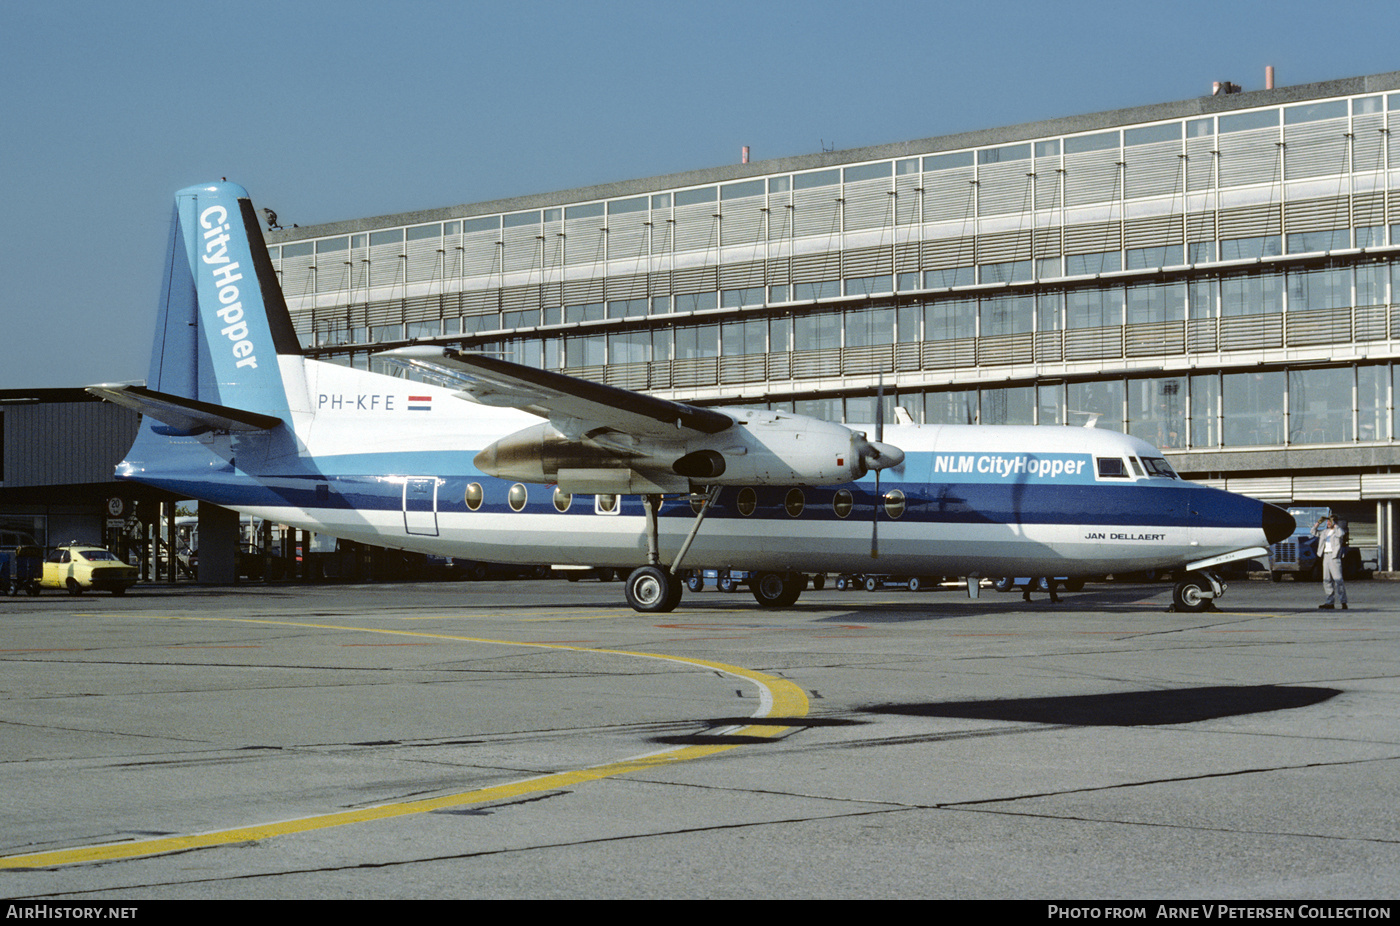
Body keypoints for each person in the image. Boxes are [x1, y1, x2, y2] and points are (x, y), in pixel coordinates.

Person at [1312, 515, 1347, 610]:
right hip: (1326, 556)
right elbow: (1313, 532)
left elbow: (1341, 534)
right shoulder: (1325, 532)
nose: (1328, 523)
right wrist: (1318, 523)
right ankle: (1329, 602)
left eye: (1329, 522)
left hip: (1334, 556)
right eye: (1327, 522)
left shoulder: (1337, 531)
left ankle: (1343, 602)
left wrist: (1335, 525)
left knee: (1338, 579)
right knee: (1327, 580)